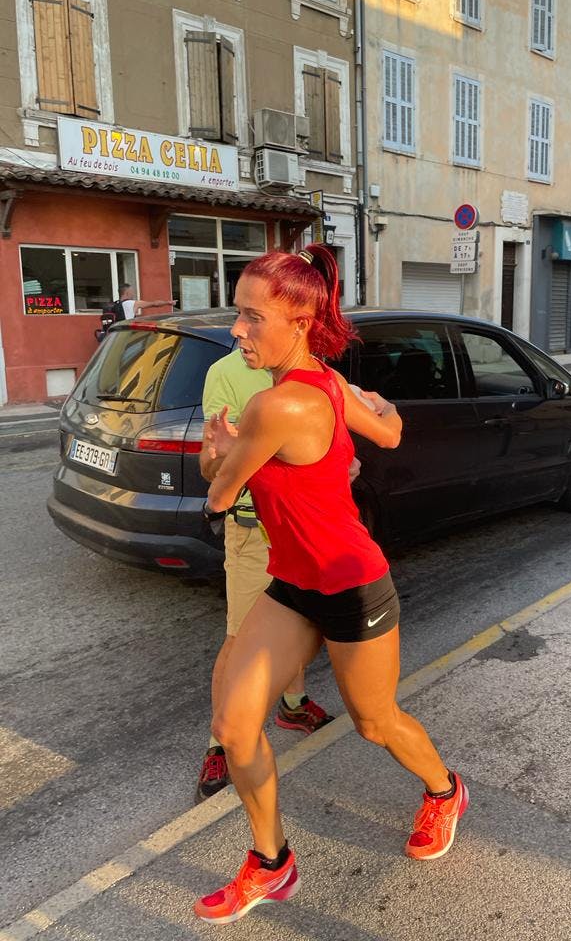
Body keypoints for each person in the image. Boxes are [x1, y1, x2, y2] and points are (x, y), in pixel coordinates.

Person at [193, 244, 467, 925]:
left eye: (253, 319)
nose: (237, 331)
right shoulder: (330, 383)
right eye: (239, 315)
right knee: (232, 724)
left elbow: (219, 497)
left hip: (350, 584)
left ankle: (444, 790)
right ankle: (271, 861)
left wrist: (215, 448)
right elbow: (392, 431)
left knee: (376, 722)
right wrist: (381, 408)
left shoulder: (276, 406)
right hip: (293, 580)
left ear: (299, 322)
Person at [195, 349, 334, 804]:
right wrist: (226, 454)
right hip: (255, 529)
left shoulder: (316, 370)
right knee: (240, 639)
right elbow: (210, 465)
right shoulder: (227, 373)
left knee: (301, 622)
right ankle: (219, 745)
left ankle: (293, 706)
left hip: (308, 525)